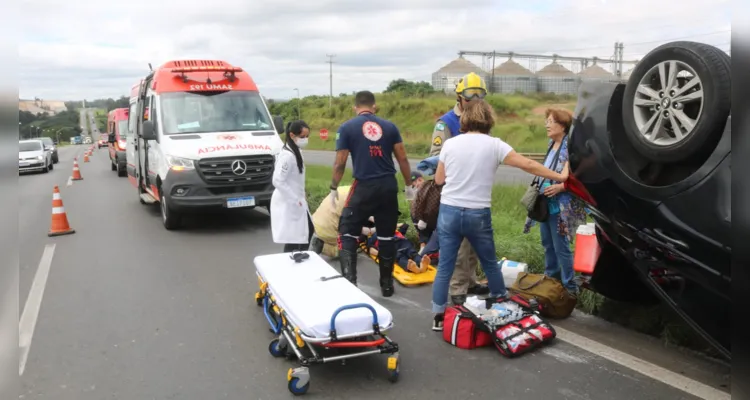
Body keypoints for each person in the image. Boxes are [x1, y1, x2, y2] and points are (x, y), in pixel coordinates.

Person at [431, 100, 569, 331]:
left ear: (465, 119)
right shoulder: (495, 145)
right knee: (489, 263)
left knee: (445, 266)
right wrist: (559, 177)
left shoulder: (451, 144)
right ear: (489, 120)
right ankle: (501, 305)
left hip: (449, 211)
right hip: (477, 213)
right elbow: (527, 164)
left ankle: (437, 317)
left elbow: (438, 180)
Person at [329, 90, 415, 297]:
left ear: (355, 107)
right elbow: (402, 159)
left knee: (346, 232)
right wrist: (409, 185)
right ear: (374, 106)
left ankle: (350, 285)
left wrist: (333, 187)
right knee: (386, 236)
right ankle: (387, 286)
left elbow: (340, 162)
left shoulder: (347, 127)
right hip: (388, 186)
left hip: (364, 186)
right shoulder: (390, 126)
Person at [429, 72, 491, 306]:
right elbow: (434, 157)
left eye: (479, 97)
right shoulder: (446, 123)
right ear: (459, 98)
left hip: (478, 192)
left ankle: (470, 280)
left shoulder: (483, 121)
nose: (475, 101)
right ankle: (458, 291)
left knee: (473, 244)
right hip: (456, 193)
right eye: (470, 97)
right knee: (459, 247)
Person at [523, 108, 587, 295]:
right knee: (548, 244)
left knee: (561, 248)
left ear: (562, 125)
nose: (546, 125)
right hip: (546, 204)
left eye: (550, 121)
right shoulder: (552, 144)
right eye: (547, 121)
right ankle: (551, 281)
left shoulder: (571, 147)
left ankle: (569, 288)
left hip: (561, 206)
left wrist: (562, 186)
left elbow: (580, 175)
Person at [270, 120, 315, 252]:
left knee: (302, 233)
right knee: (294, 236)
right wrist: (294, 198)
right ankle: (292, 260)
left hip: (297, 199)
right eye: (302, 137)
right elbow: (277, 180)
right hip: (289, 201)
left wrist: (301, 194)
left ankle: (299, 256)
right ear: (292, 135)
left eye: (307, 136)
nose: (305, 140)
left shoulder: (296, 151)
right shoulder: (287, 156)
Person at [308, 185, 376, 255]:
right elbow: (353, 226)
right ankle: (325, 247)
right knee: (354, 242)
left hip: (315, 223)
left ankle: (319, 241)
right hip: (328, 231)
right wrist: (373, 230)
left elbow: (358, 211)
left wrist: (372, 218)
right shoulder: (355, 201)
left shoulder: (347, 190)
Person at [364, 224, 432, 274]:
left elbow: (405, 225)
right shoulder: (374, 236)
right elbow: (370, 249)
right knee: (399, 257)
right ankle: (413, 267)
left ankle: (422, 264)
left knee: (411, 251)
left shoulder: (395, 231)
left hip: (402, 242)